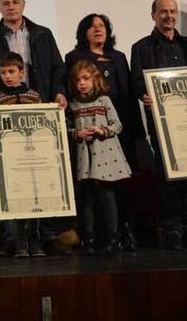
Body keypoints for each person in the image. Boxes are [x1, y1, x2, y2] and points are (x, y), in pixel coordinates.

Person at [0, 0, 69, 255]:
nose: (11, 7)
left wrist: (59, 93)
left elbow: (57, 68)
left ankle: (40, 236)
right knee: (9, 177)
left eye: (16, 2)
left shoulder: (42, 33)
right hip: (4, 113)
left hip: (38, 111)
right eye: (5, 3)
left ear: (24, 4)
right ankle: (12, 237)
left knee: (39, 174)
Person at [130, 0, 187, 250]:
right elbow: (137, 81)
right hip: (162, 124)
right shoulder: (141, 47)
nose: (169, 16)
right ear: (153, 15)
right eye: (163, 12)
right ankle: (173, 231)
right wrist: (143, 93)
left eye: (172, 11)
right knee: (168, 177)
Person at [64, 13, 144, 251]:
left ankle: (121, 233)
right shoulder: (75, 57)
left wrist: (136, 132)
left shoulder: (118, 57)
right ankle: (93, 236)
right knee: (90, 189)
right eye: (92, 27)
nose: (98, 30)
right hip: (86, 132)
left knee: (117, 185)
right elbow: (71, 93)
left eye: (102, 26)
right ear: (84, 32)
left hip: (117, 129)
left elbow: (128, 95)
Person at [68, 60, 132, 255]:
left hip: (105, 153)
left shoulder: (104, 101)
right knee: (86, 197)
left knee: (107, 195)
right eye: (78, 80)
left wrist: (102, 130)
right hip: (85, 155)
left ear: (95, 79)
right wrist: (78, 134)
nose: (82, 83)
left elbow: (117, 125)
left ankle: (113, 238)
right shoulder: (73, 104)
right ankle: (88, 239)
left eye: (86, 78)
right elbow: (67, 128)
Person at [0, 52, 43, 258]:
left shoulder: (34, 96)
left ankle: (35, 239)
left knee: (35, 198)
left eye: (11, 71)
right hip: (10, 160)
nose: (7, 76)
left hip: (33, 157)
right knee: (12, 198)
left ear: (21, 73)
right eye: (3, 72)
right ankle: (16, 240)